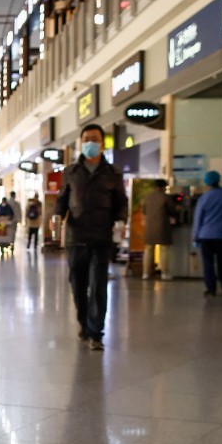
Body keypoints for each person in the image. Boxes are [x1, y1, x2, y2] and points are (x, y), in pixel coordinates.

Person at [53, 123, 128, 351]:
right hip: (76, 238)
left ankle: (96, 332)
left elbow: (121, 202)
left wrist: (121, 220)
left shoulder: (112, 173)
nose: (89, 143)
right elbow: (62, 200)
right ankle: (84, 324)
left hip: (101, 238)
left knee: (98, 285)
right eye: (86, 139)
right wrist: (56, 216)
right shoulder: (71, 173)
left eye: (94, 139)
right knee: (78, 285)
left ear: (102, 143)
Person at [192, 170, 222, 296]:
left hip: (205, 236)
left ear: (207, 182)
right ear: (219, 180)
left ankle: (211, 289)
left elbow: (198, 219)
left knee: (208, 264)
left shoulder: (204, 198)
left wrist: (195, 237)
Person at [142, 179, 176, 281]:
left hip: (149, 226)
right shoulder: (166, 197)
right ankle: (165, 273)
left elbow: (143, 210)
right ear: (164, 187)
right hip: (163, 226)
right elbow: (172, 211)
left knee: (148, 250)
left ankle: (146, 273)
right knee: (164, 249)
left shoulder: (147, 196)